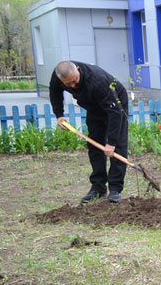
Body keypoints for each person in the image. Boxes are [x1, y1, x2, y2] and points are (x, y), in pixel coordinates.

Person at [50, 61, 129, 203]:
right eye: (68, 85)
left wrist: (111, 143)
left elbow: (114, 113)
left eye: (75, 81)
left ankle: (115, 189)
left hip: (116, 104)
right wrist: (59, 114)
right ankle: (98, 188)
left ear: (78, 70)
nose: (73, 86)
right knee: (94, 146)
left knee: (118, 146)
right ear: (61, 79)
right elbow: (54, 92)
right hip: (93, 106)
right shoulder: (58, 76)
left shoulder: (98, 81)